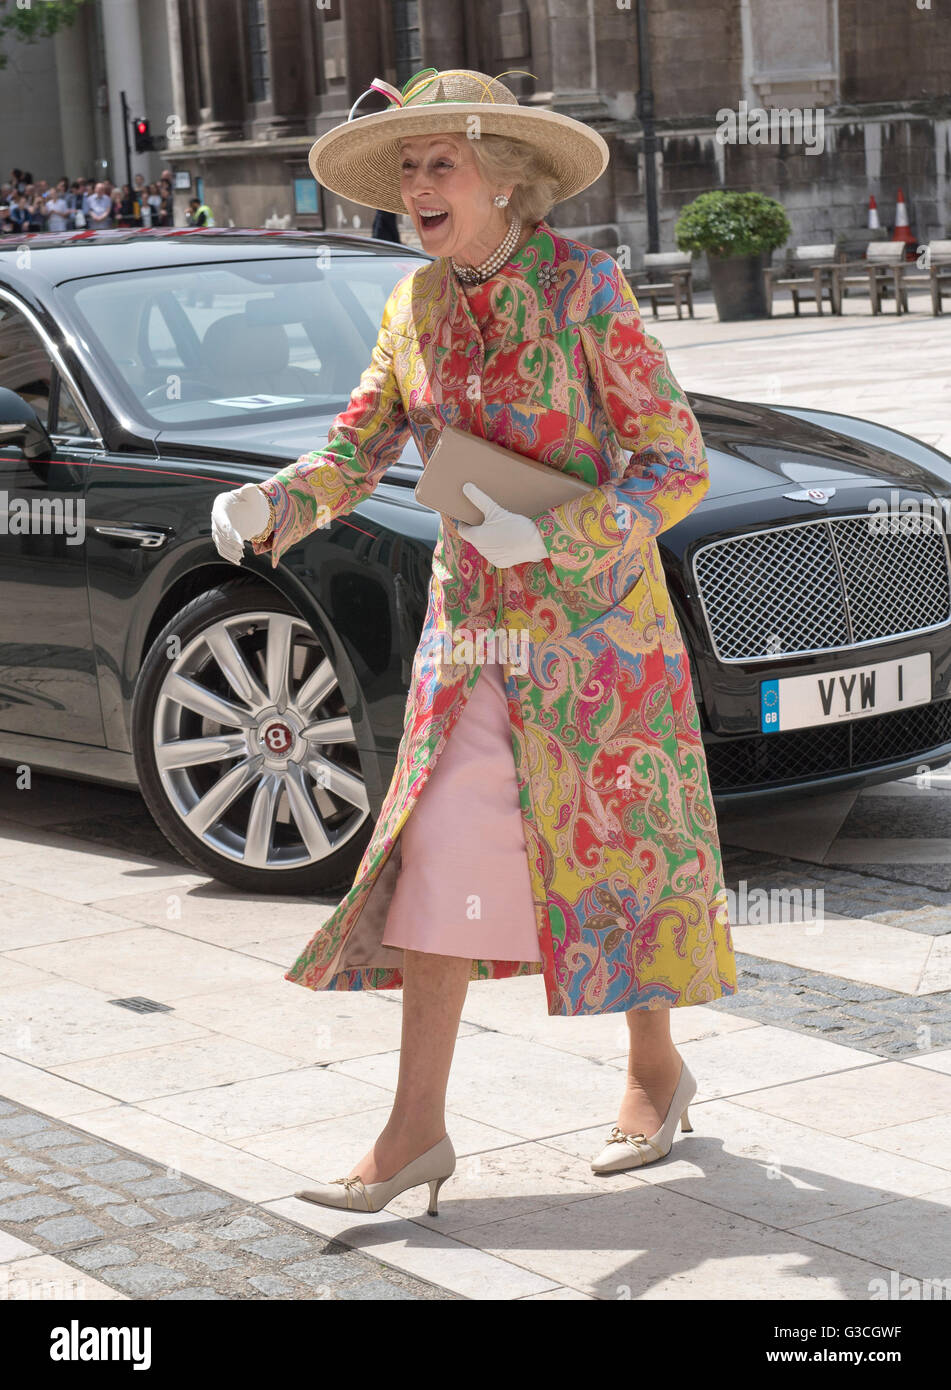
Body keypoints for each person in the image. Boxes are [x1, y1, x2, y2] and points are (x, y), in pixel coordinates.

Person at [210, 67, 736, 1216]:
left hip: (600, 639)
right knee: (438, 849)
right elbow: (356, 451)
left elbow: (675, 463)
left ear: (505, 178)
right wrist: (275, 506)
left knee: (614, 850)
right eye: (405, 166)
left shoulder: (588, 289)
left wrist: (553, 531)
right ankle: (414, 1130)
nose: (416, 185)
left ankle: (655, 1068)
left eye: (438, 162)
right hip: (472, 636)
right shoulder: (412, 306)